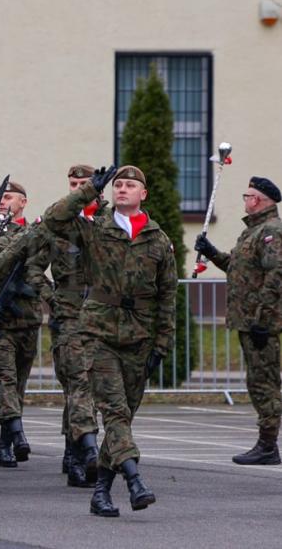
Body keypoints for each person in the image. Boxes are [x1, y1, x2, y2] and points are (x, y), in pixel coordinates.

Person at [43, 165, 177, 517]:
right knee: (115, 411)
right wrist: (88, 189)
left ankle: (101, 490)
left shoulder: (158, 239)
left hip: (139, 336)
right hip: (98, 332)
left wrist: (162, 343)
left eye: (130, 185)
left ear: (143, 194)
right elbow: (53, 220)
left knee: (123, 419)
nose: (122, 190)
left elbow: (168, 296)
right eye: (118, 185)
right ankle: (135, 480)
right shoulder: (95, 228)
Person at [195, 176, 282, 465]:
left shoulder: (271, 232)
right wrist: (211, 253)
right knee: (257, 380)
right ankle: (266, 444)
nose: (244, 200)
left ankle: (268, 445)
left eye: (247, 195)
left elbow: (275, 278)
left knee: (264, 383)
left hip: (260, 323)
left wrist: (263, 320)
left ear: (257, 200)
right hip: (247, 321)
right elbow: (237, 266)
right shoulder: (252, 232)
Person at [0, 181, 50, 470]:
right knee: (5, 378)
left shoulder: (35, 234)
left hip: (28, 319)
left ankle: (4, 443)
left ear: (24, 202)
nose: (5, 202)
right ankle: (17, 434)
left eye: (11, 197)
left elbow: (39, 268)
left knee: (18, 384)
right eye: (2, 197)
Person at [45, 165, 105, 486]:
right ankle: (83, 453)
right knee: (78, 384)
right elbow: (32, 268)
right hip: (69, 318)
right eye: (74, 184)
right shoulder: (59, 222)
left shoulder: (110, 222)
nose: (78, 188)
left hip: (103, 318)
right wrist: (52, 299)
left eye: (85, 183)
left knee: (88, 389)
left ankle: (73, 448)